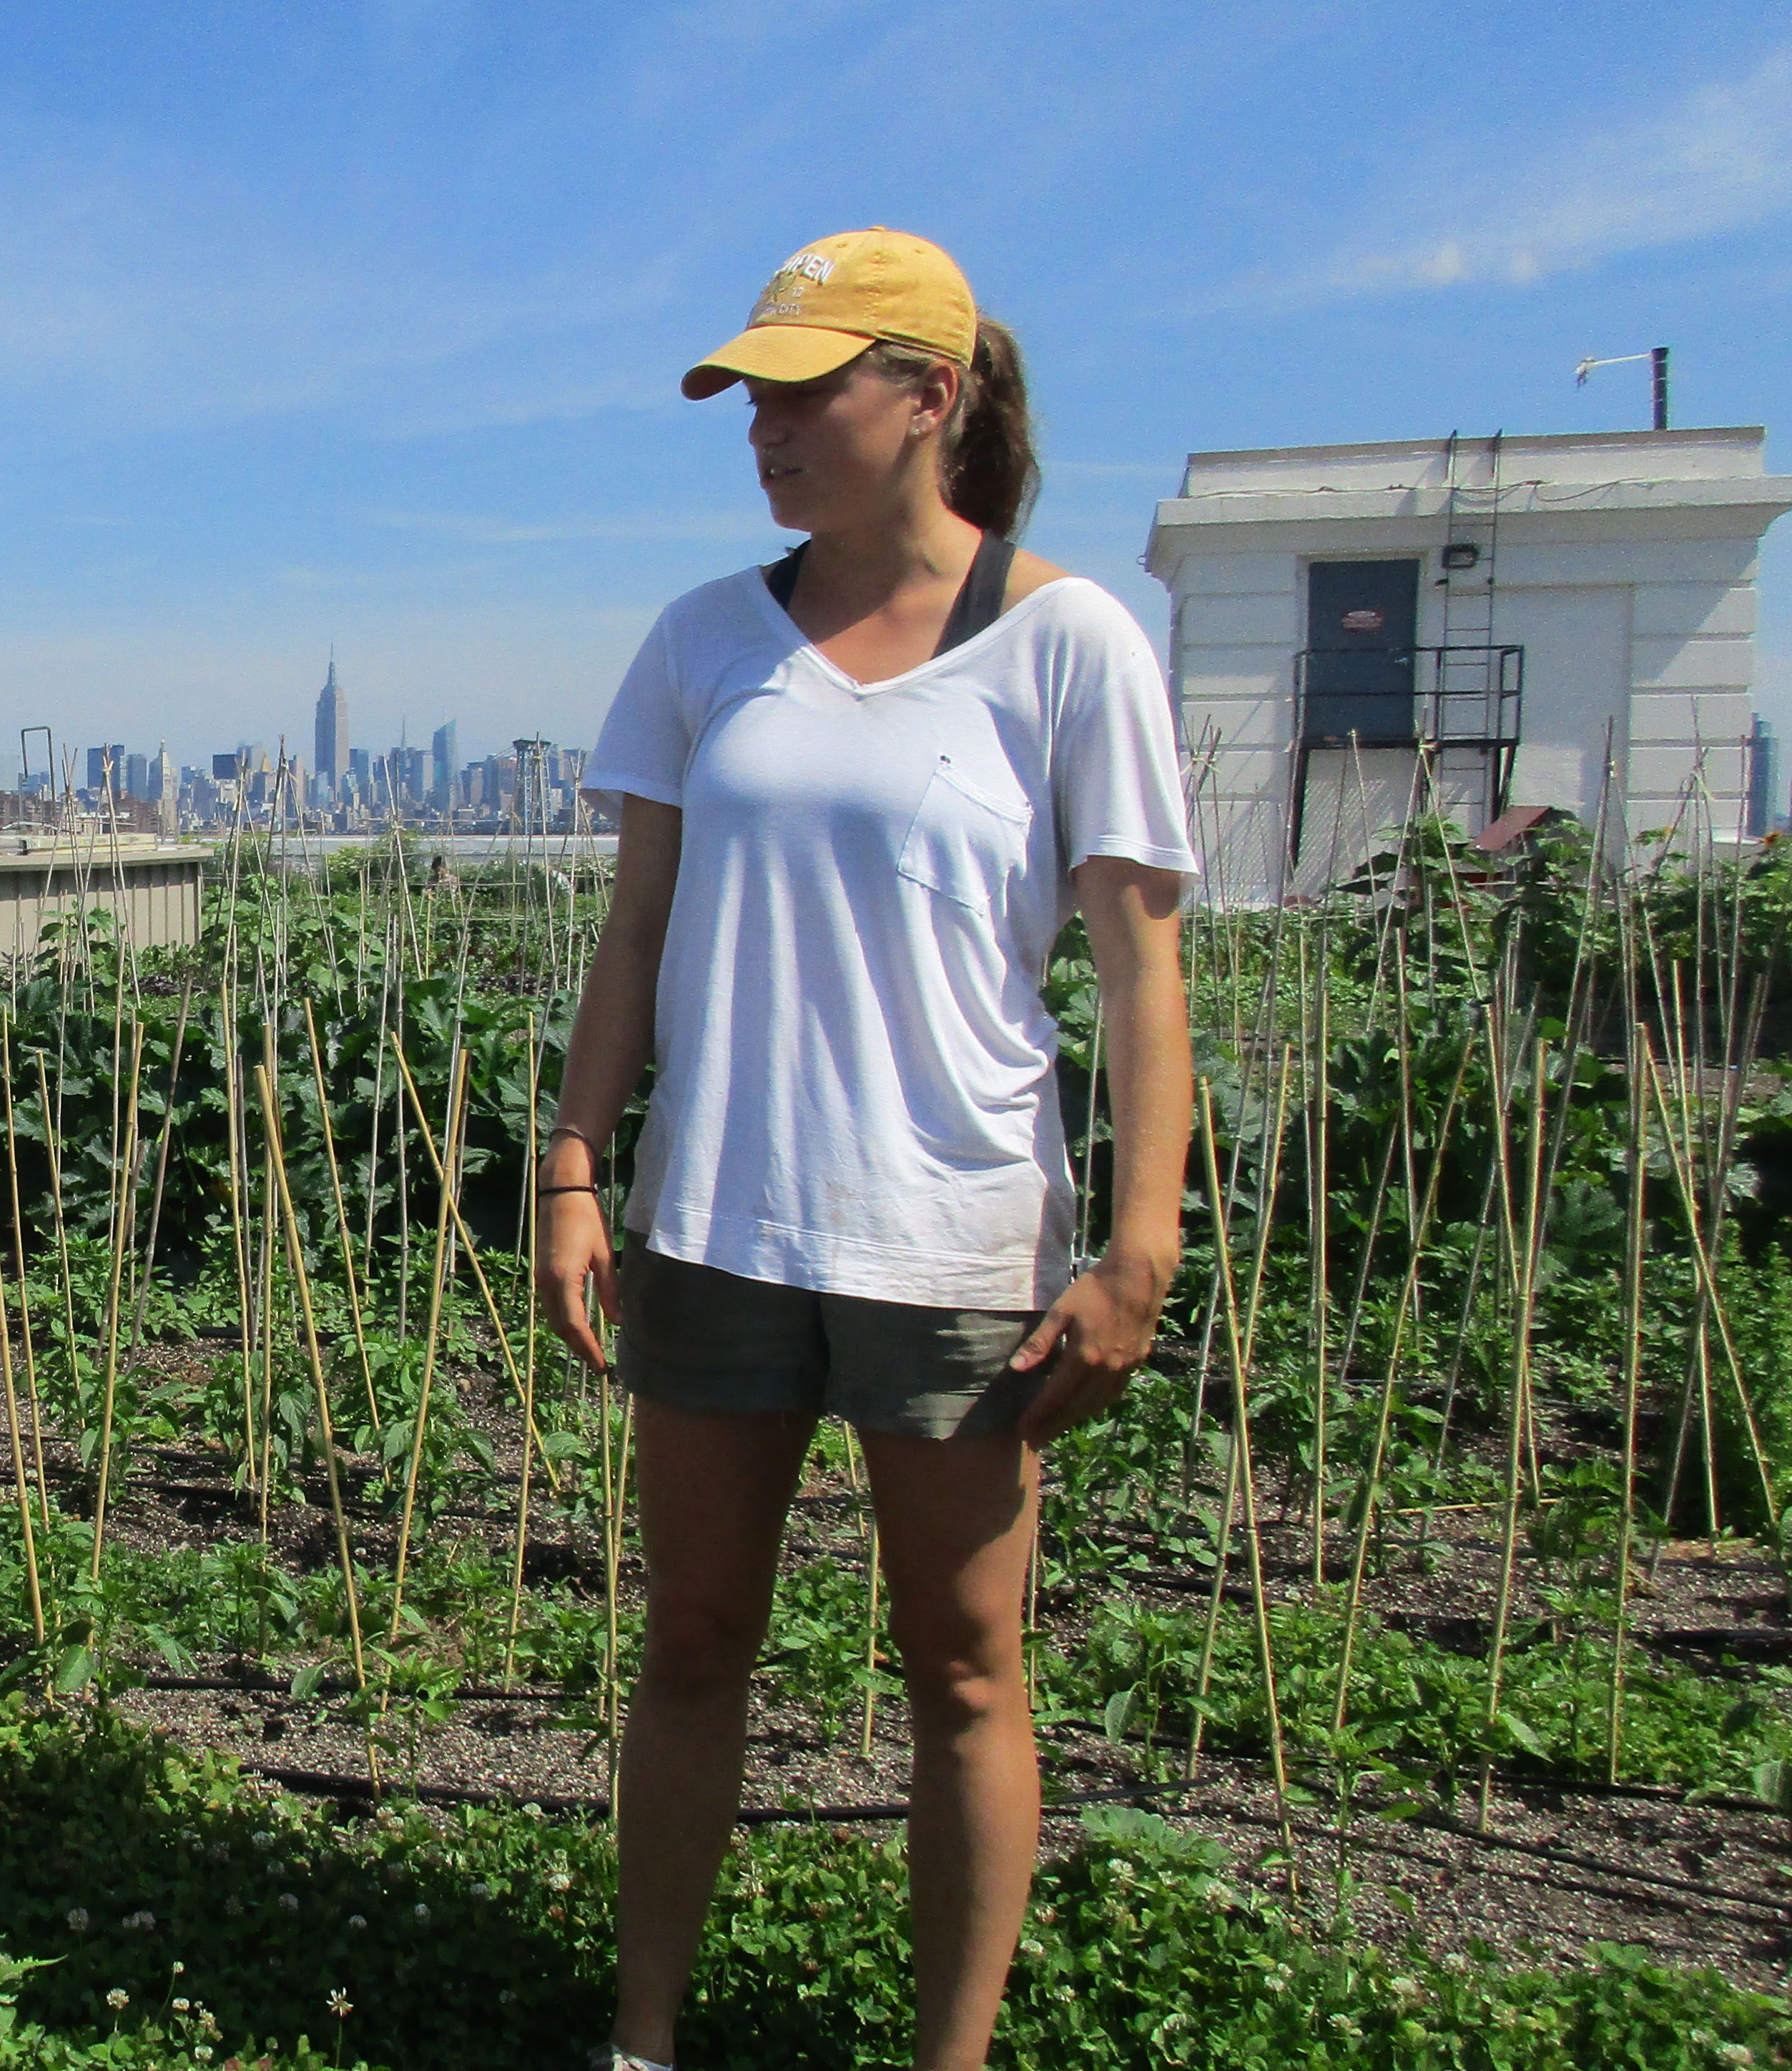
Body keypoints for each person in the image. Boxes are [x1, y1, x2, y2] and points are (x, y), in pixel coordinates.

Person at [538, 228, 1196, 2071]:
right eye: (753, 392)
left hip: (956, 1237)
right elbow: (638, 931)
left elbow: (1145, 971)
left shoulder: (1069, 645)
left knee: (968, 1672)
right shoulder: (704, 642)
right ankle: (642, 2039)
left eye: (807, 384)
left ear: (934, 395)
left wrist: (1137, 1247)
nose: (768, 425)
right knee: (691, 1642)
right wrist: (579, 1166)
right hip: (722, 1225)